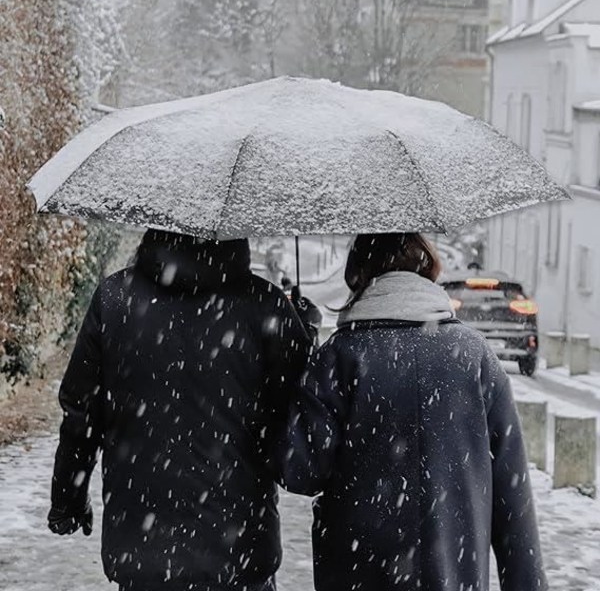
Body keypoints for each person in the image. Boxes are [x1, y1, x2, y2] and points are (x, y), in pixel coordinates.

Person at [279, 233, 548, 591]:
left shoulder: (339, 356)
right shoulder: (474, 355)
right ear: (429, 271)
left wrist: (301, 358)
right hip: (455, 573)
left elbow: (301, 472)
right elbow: (512, 497)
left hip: (360, 573)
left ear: (358, 275)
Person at [48, 229, 312, 591]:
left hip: (143, 553)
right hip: (238, 555)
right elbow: (294, 429)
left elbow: (81, 414)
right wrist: (300, 335)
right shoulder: (264, 306)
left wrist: (68, 498)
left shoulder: (115, 300)